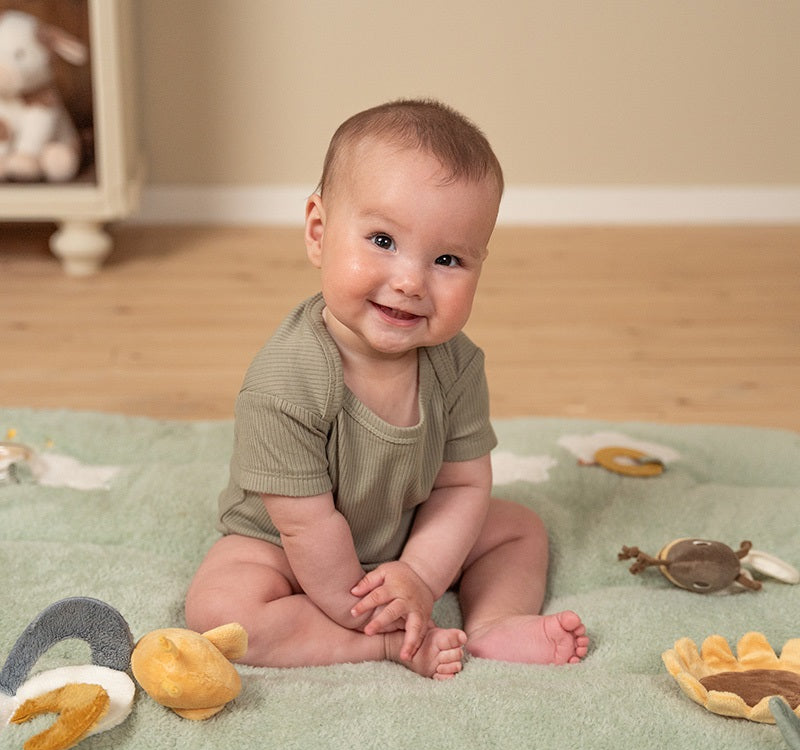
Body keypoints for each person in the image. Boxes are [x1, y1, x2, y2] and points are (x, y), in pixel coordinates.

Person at [185, 99, 588, 679]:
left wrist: (420, 575)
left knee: (519, 528)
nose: (409, 282)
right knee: (221, 612)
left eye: (447, 258)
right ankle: (377, 647)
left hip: (409, 524)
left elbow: (463, 483)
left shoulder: (458, 365)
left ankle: (496, 623)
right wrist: (379, 616)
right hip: (288, 548)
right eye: (381, 240)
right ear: (319, 232)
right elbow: (307, 526)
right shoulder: (285, 382)